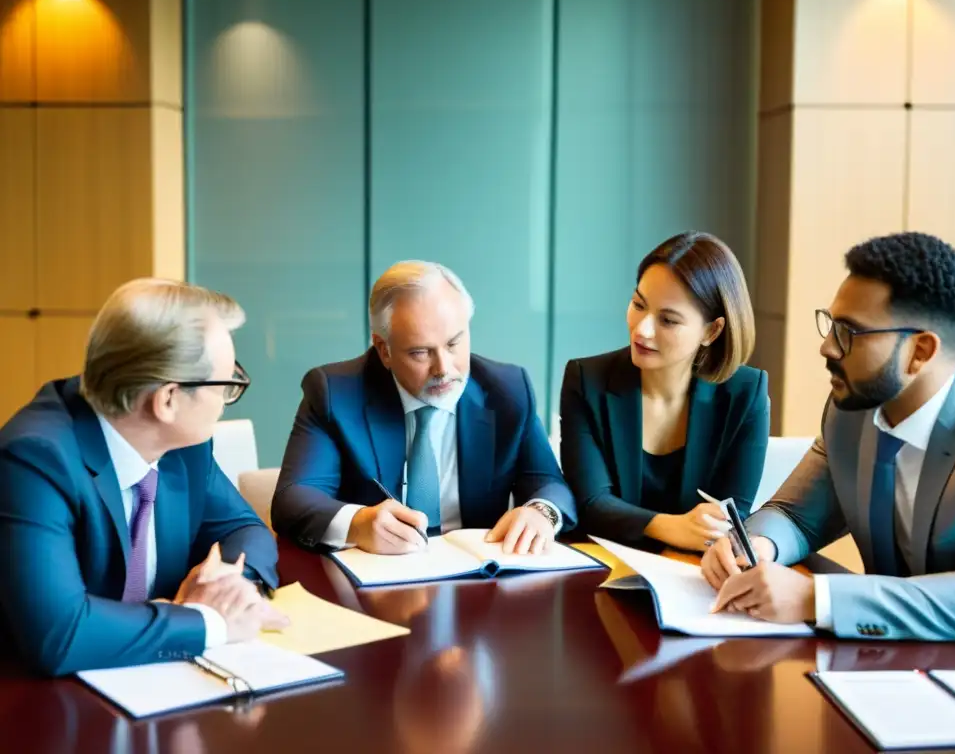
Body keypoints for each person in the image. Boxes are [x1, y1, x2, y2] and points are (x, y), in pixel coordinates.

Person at [703, 232, 955, 642]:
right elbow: (798, 516)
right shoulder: (850, 409)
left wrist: (817, 599)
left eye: (849, 333)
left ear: (920, 351)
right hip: (878, 666)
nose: (827, 348)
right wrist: (754, 546)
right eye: (831, 325)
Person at [0, 279, 286, 676]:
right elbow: (59, 634)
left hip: (153, 684)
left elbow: (244, 528)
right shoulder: (35, 458)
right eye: (225, 385)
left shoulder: (186, 443)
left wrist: (231, 587)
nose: (226, 399)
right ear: (167, 399)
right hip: (46, 703)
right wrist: (210, 622)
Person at [271, 261, 576, 556]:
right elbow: (293, 499)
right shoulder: (335, 393)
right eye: (420, 352)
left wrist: (542, 513)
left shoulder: (507, 390)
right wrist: (357, 524)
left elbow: (549, 483)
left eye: (454, 344)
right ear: (384, 350)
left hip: (478, 579)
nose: (443, 368)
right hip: (376, 580)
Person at [560, 232, 768, 551]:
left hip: (696, 574)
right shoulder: (587, 380)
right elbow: (591, 503)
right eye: (638, 304)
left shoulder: (746, 394)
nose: (642, 329)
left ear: (712, 331)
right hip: (603, 564)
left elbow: (731, 515)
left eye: (668, 320)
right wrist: (672, 527)